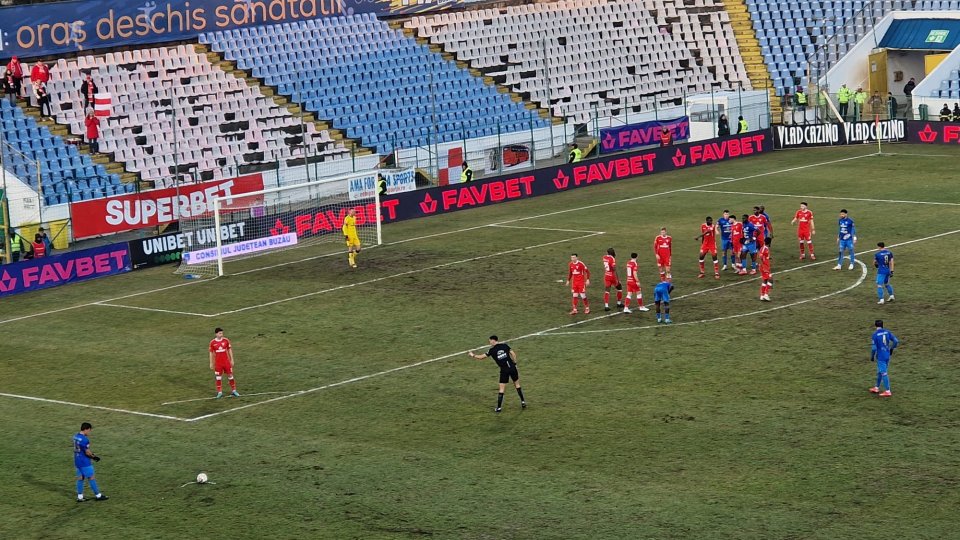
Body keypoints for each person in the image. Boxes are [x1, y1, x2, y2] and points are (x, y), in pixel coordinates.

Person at [468, 335, 526, 413]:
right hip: (512, 368)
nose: (489, 342)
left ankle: (499, 408)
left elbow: (481, 357)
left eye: (490, 341)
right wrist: (515, 363)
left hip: (504, 370)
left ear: (493, 340)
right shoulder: (505, 345)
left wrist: (473, 355)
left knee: (501, 389)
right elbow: (513, 354)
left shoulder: (492, 350)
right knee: (517, 385)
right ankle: (523, 402)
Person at [73, 422, 108, 502]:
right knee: (91, 477)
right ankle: (98, 495)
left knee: (80, 478)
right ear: (86, 429)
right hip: (84, 462)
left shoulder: (75, 436)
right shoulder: (85, 440)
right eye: (89, 430)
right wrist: (94, 457)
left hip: (77, 460)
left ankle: (80, 497)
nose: (89, 432)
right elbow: (87, 452)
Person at [869, 320, 899, 397]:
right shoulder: (887, 332)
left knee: (883, 373)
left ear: (875, 325)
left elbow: (873, 349)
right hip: (887, 354)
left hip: (881, 356)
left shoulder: (875, 335)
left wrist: (872, 356)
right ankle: (876, 388)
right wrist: (892, 348)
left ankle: (888, 391)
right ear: (882, 325)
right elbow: (896, 341)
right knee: (880, 371)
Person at [209, 327, 239, 398]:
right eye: (220, 333)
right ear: (216, 334)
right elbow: (211, 353)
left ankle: (234, 391)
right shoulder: (212, 343)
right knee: (218, 378)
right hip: (218, 363)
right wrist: (211, 363)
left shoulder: (226, 340)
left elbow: (229, 350)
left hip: (226, 362)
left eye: (222, 333)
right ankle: (219, 392)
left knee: (230, 376)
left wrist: (232, 359)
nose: (221, 334)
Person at [601, 247, 623, 312]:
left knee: (607, 290)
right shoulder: (612, 259)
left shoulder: (604, 257)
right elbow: (614, 268)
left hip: (606, 275)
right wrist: (618, 279)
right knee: (619, 288)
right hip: (612, 276)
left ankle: (606, 305)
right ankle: (619, 303)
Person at [758, 237, 773, 302]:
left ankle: (762, 295)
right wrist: (763, 267)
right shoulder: (764, 248)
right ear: (769, 243)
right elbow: (760, 257)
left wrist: (768, 258)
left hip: (764, 266)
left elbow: (763, 257)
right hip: (764, 267)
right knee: (771, 280)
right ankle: (766, 294)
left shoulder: (764, 248)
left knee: (765, 280)